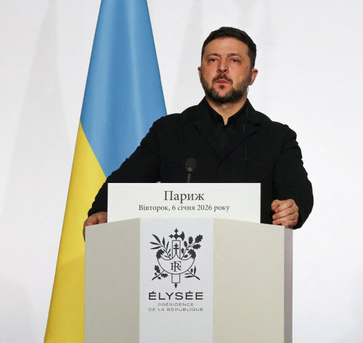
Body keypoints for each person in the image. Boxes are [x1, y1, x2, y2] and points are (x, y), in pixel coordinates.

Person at [85, 26, 314, 230]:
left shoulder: (276, 137)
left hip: (250, 266)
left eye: (234, 60)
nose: (222, 68)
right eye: (213, 60)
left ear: (252, 75)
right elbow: (124, 183)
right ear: (200, 72)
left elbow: (298, 192)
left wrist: (293, 208)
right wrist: (102, 210)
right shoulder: (169, 131)